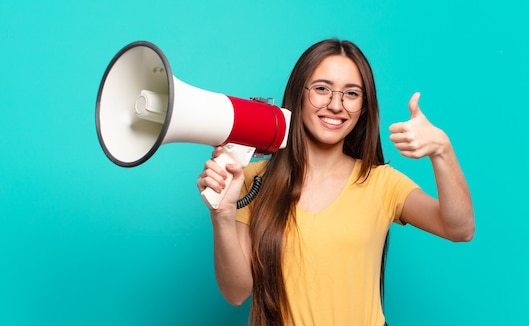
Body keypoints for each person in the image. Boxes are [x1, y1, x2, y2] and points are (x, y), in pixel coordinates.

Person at [196, 38, 474, 326]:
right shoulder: (253, 180)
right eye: (321, 89)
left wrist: (442, 150)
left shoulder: (381, 183)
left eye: (351, 94)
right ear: (299, 94)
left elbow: (460, 229)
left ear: (364, 107)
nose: (335, 105)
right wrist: (222, 215)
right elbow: (236, 292)